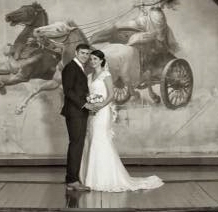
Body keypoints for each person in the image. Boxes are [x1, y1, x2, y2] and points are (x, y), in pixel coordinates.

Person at [79, 50, 164, 192]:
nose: (92, 61)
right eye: (91, 59)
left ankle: (106, 178)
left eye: (95, 59)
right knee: (91, 139)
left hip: (103, 111)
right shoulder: (89, 76)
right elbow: (90, 94)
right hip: (93, 112)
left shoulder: (106, 75)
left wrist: (99, 105)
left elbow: (111, 95)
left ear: (101, 61)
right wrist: (90, 104)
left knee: (100, 140)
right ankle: (91, 178)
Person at [61, 44, 93, 191]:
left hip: (78, 112)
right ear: (76, 52)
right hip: (75, 113)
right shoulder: (70, 67)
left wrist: (88, 98)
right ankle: (72, 180)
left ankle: (72, 179)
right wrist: (84, 105)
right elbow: (68, 91)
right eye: (82, 53)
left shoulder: (79, 67)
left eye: (87, 54)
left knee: (77, 144)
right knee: (76, 144)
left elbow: (77, 90)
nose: (85, 56)